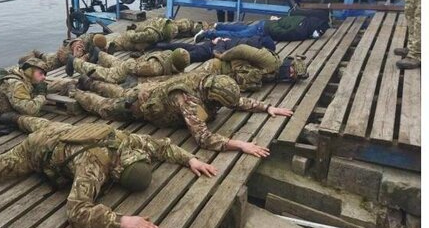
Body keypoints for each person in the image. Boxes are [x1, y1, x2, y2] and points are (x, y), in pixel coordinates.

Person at [0, 115, 217, 228]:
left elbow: (160, 146)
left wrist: (189, 159)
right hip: (39, 149)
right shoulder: (96, 163)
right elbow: (76, 211)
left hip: (64, 130)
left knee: (39, 122)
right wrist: (120, 221)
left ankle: (17, 117)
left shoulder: (128, 142)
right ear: (117, 172)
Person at [69, 72, 293, 153]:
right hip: (141, 106)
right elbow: (203, 138)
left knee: (120, 90)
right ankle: (75, 90)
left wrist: (267, 107)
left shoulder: (209, 83)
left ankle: (90, 81)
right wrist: (241, 145)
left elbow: (238, 101)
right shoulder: (188, 100)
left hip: (150, 92)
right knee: (106, 107)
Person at [202, 44, 308, 91]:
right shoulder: (270, 61)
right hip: (216, 68)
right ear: (289, 63)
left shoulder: (275, 73)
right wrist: (222, 56)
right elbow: (241, 49)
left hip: (223, 79)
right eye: (291, 70)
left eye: (292, 76)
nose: (289, 75)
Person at [66, 48, 190, 84]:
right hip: (134, 67)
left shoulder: (169, 56)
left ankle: (99, 54)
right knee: (108, 74)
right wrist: (131, 62)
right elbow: (134, 68)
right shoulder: (155, 68)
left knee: (117, 63)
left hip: (139, 65)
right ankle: (74, 62)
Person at [194, 15, 329, 43]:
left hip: (266, 23)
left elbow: (284, 21)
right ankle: (209, 33)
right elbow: (280, 33)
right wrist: (272, 26)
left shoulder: (303, 18)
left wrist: (275, 20)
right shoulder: (300, 31)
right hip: (265, 30)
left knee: (244, 28)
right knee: (239, 35)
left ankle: (220, 25)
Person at [105, 17, 206, 53]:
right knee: (183, 29)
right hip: (164, 28)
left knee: (183, 27)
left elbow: (133, 37)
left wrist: (130, 31)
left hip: (161, 29)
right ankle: (199, 28)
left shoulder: (151, 34)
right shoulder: (158, 30)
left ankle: (201, 27)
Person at [153, 35, 276, 63]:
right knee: (186, 57)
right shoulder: (247, 48)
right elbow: (219, 51)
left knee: (187, 47)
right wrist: (219, 43)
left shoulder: (248, 40)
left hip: (212, 44)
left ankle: (160, 46)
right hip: (211, 50)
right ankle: (160, 56)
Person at [18, 34, 108, 72]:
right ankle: (28, 58)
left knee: (44, 56)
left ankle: (37, 53)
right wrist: (82, 55)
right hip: (58, 61)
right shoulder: (80, 45)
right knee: (44, 67)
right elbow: (75, 60)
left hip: (58, 55)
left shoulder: (92, 40)